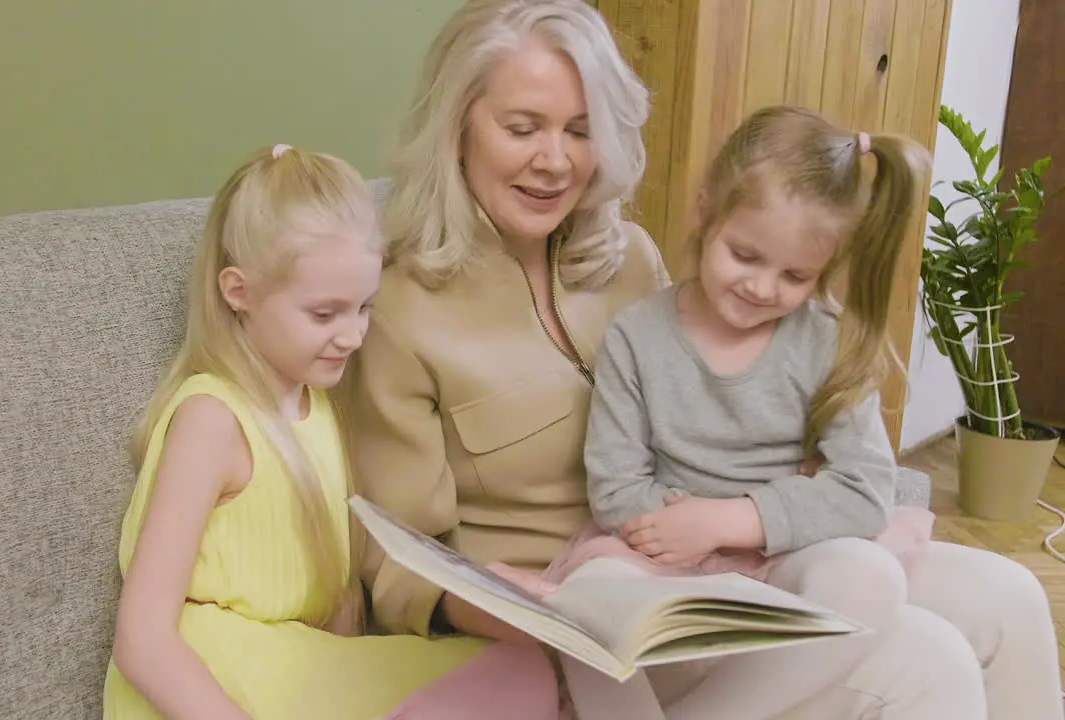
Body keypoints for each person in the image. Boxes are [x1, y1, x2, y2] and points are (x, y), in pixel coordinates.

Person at [341, 0, 1064, 718]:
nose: (555, 160)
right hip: (588, 606)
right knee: (926, 660)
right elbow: (394, 551)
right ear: (457, 126)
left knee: (1009, 597)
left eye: (582, 131)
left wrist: (763, 496)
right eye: (522, 128)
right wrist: (494, 608)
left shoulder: (630, 258)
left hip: (740, 552)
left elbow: (732, 399)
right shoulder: (398, 308)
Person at [101, 143, 560, 720]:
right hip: (212, 685)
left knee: (522, 670)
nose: (352, 336)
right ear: (237, 292)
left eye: (364, 308)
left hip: (299, 669)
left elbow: (339, 601)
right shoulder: (212, 420)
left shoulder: (317, 406)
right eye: (324, 314)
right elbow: (142, 640)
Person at [560, 105, 940, 719]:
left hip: (783, 555)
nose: (763, 288)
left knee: (871, 577)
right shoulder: (637, 337)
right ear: (704, 212)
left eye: (795, 275)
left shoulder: (827, 340)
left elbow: (867, 489)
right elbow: (615, 488)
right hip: (659, 554)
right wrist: (683, 530)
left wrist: (728, 520)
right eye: (745, 255)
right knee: (583, 602)